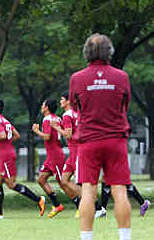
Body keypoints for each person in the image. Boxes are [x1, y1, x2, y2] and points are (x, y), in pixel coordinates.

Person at [70, 33, 132, 240]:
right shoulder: (121, 77)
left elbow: (75, 107)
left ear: (86, 52)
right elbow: (125, 105)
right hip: (116, 140)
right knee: (119, 190)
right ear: (109, 52)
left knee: (88, 190)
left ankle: (86, 238)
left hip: (88, 141)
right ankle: (125, 237)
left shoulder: (77, 79)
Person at [0, 100, 45, 220]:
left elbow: (3, 135)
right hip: (4, 154)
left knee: (11, 184)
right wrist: (1, 144)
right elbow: (16, 135)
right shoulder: (4, 120)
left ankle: (38, 200)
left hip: (6, 156)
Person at [50, 92, 82, 217]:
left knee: (78, 182)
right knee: (64, 180)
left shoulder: (67, 115)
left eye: (62, 99)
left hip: (76, 151)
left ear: (68, 101)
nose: (60, 102)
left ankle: (93, 206)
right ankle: (82, 205)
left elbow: (68, 134)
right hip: (74, 151)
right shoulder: (76, 113)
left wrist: (56, 127)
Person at [32, 99, 65, 218]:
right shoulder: (58, 118)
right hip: (52, 155)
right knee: (41, 179)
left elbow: (47, 136)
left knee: (64, 183)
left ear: (46, 108)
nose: (41, 107)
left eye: (43, 105)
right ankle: (57, 205)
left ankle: (80, 204)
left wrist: (36, 131)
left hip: (55, 156)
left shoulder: (47, 119)